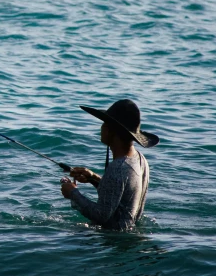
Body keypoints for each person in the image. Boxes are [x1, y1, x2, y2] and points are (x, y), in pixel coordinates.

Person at [60, 99, 159, 232]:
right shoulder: (140, 159)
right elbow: (121, 196)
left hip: (112, 241)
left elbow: (101, 216)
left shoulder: (118, 168)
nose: (101, 128)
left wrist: (72, 193)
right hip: (128, 235)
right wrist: (93, 178)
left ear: (112, 131)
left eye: (104, 124)